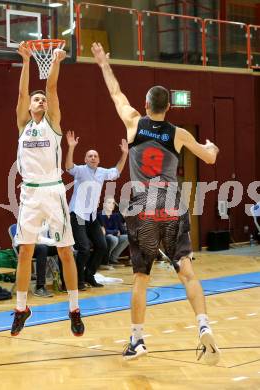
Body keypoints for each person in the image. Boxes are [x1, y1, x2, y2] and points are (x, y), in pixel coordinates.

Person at [91, 42, 220, 364]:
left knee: (141, 278)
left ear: (147, 104)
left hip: (142, 208)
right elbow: (210, 158)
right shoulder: (178, 134)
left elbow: (116, 94)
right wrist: (212, 148)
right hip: (172, 205)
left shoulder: (134, 122)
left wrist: (104, 64)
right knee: (187, 272)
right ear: (168, 108)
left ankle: (137, 340)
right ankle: (203, 326)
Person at [11, 42, 84, 337]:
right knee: (25, 251)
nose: (40, 100)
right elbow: (21, 93)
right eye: (36, 99)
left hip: (53, 192)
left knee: (65, 251)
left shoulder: (53, 124)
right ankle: (20, 309)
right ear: (29, 106)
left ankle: (74, 309)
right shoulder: (22, 124)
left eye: (42, 99)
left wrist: (55, 61)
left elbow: (52, 88)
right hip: (29, 193)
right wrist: (27, 61)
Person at [65, 131, 128, 289]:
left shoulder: (102, 172)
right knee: (84, 248)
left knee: (102, 246)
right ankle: (78, 280)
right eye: (90, 156)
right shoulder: (80, 171)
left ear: (98, 160)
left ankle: (89, 274)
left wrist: (125, 154)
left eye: (95, 156)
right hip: (78, 214)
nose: (93, 158)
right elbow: (68, 167)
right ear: (85, 159)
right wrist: (71, 147)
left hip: (92, 216)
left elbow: (117, 171)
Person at [98, 197, 129, 268]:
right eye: (109, 203)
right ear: (104, 204)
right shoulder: (100, 215)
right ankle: (104, 260)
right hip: (103, 237)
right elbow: (104, 231)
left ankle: (113, 259)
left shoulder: (115, 216)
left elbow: (120, 230)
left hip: (113, 236)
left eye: (113, 203)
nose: (111, 205)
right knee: (113, 239)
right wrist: (114, 232)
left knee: (126, 237)